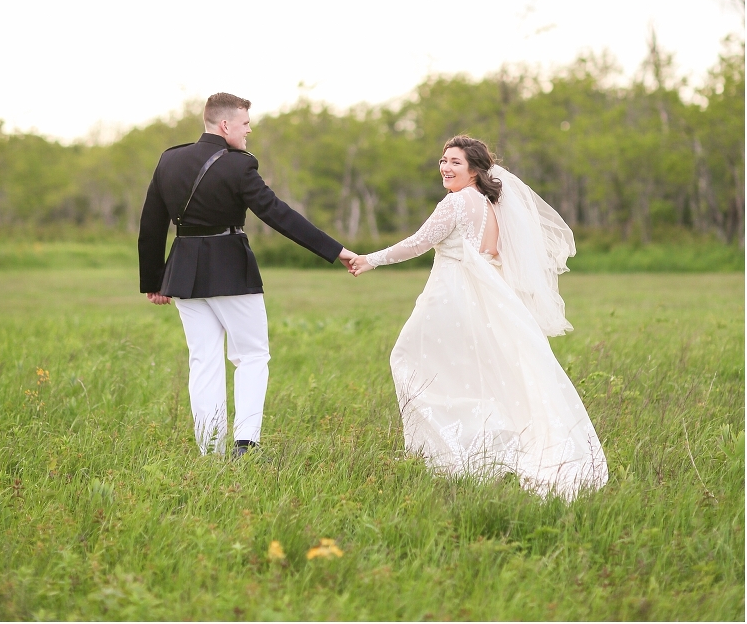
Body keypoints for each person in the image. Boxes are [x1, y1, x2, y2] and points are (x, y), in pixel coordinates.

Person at [349, 135, 608, 499]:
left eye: (455, 162)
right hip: (486, 295)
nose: (445, 167)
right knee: (479, 373)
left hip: (453, 294)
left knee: (411, 359)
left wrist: (369, 259)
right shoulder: (492, 204)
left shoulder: (455, 203)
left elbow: (418, 243)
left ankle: (450, 454)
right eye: (443, 160)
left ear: (474, 169)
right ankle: (482, 449)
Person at [138, 92, 357, 457]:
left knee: (203, 360)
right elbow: (277, 214)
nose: (249, 130)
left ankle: (210, 451)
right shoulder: (239, 165)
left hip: (183, 273)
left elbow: (151, 224)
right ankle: (246, 443)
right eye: (245, 124)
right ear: (226, 125)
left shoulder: (169, 159)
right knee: (252, 356)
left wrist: (154, 281)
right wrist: (336, 250)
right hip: (230, 269)